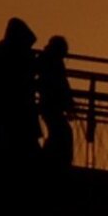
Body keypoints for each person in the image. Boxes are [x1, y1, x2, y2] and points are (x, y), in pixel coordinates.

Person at [0, 17, 40, 160]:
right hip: (18, 108)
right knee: (19, 146)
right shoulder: (12, 53)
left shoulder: (1, 51)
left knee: (4, 144)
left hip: (5, 107)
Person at [35, 34, 75, 168]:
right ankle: (54, 159)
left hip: (48, 104)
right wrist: (69, 103)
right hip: (51, 104)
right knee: (62, 132)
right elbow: (62, 84)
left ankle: (50, 157)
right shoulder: (53, 60)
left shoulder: (46, 58)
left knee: (58, 132)